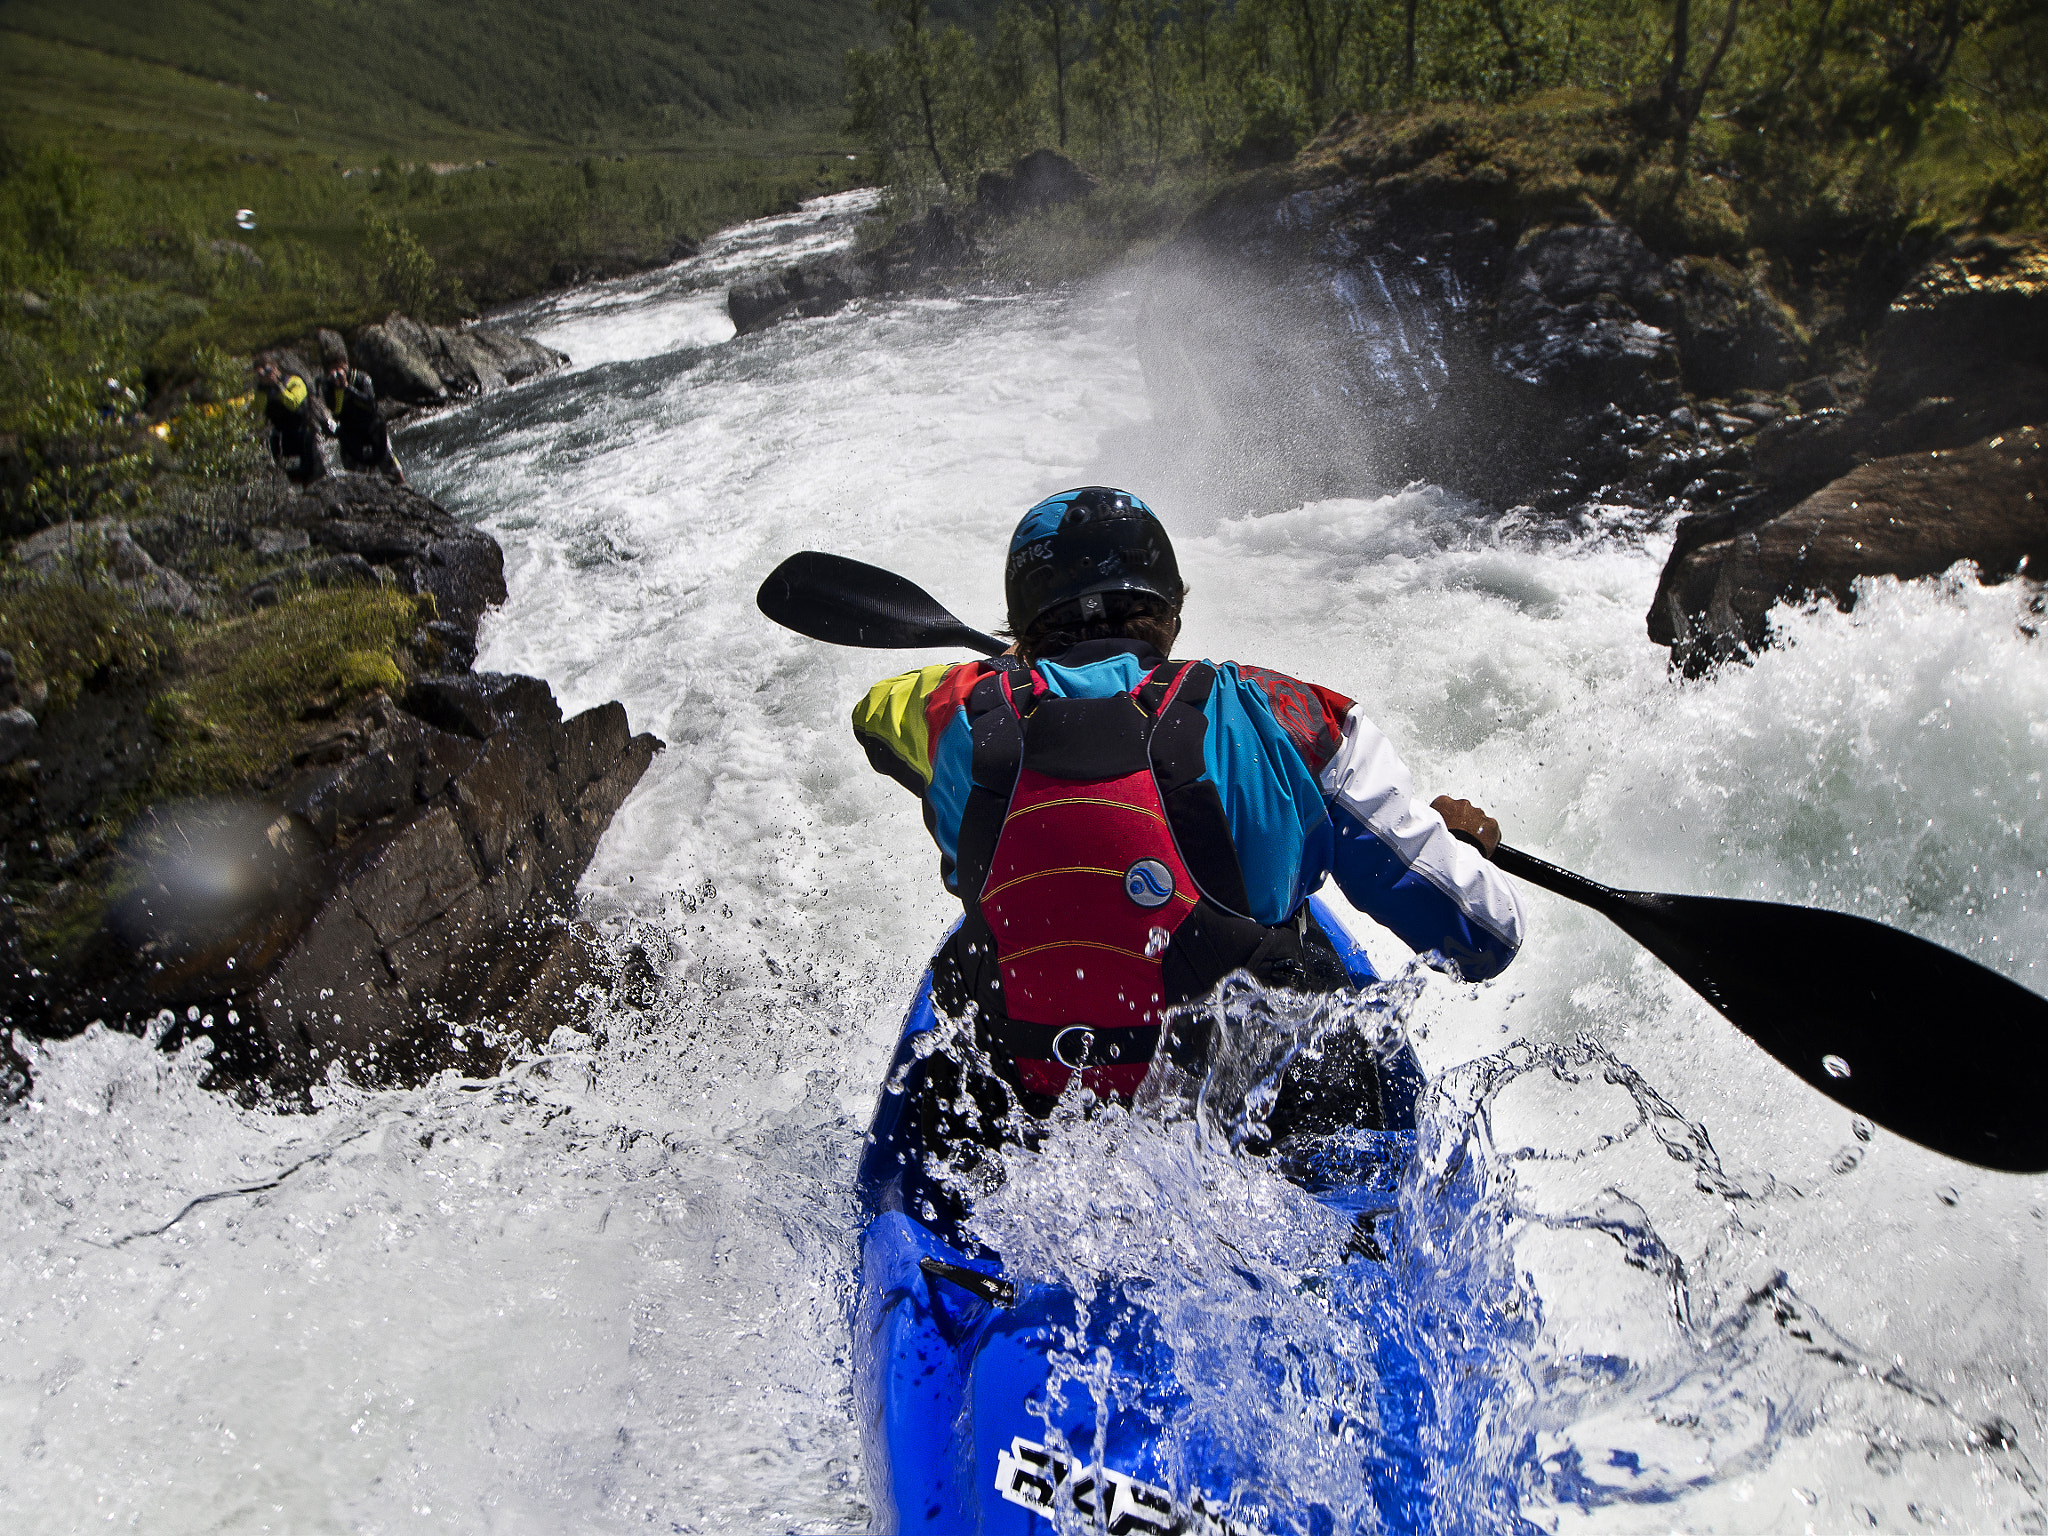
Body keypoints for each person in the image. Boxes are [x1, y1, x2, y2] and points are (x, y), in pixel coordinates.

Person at [851, 486, 1525, 1203]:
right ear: (1171, 612)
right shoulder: (1290, 717)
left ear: (1021, 627)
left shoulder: (951, 713)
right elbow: (1485, 938)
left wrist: (1017, 675)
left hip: (1031, 1120)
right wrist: (1460, 847)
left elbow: (871, 718)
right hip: (1254, 1141)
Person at [323, 354, 405, 483]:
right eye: (333, 369)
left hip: (371, 428)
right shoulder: (328, 386)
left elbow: (370, 404)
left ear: (346, 365)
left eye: (340, 367)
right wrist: (339, 390)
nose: (337, 372)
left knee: (389, 463)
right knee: (355, 474)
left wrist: (347, 387)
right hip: (350, 433)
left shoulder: (361, 378)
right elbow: (335, 411)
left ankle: (403, 486)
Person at [254, 356, 326, 484]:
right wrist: (262, 387)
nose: (266, 374)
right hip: (281, 436)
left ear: (275, 367)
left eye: (268, 370)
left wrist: (277, 386)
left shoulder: (294, 381)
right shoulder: (262, 392)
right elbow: (259, 410)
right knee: (287, 473)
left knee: (307, 472)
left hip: (302, 432)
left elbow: (293, 403)